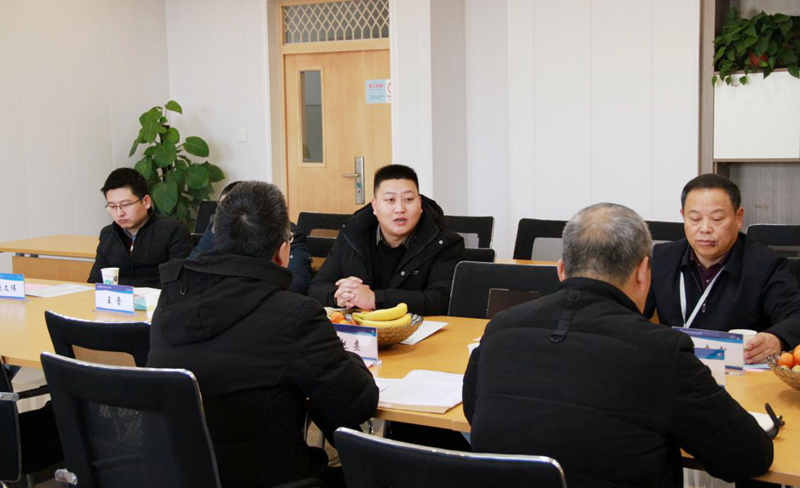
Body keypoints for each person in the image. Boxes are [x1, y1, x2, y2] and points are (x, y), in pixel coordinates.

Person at [463, 203, 773, 486]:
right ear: (643, 273)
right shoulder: (661, 351)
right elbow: (747, 456)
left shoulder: (500, 329)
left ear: (561, 270)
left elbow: (474, 411)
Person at [147, 181, 378, 487]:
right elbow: (356, 403)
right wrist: (349, 358)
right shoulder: (295, 314)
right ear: (283, 252)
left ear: (217, 238)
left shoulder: (170, 298)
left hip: (176, 476)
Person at [645, 174, 800, 364]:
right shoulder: (662, 259)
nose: (705, 228)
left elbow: (796, 315)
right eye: (695, 218)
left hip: (742, 371)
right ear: (683, 216)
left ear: (738, 217)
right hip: (678, 368)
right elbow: (630, 312)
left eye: (717, 219)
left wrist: (777, 338)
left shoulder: (766, 264)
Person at [308, 164, 464, 316]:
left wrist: (375, 299)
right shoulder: (353, 234)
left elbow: (442, 299)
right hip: (360, 329)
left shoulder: (444, 242)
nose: (400, 209)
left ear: (420, 203)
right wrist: (339, 296)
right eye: (390, 200)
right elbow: (317, 287)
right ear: (375, 206)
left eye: (408, 199)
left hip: (419, 329)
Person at [188, 181, 313, 294]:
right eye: (223, 211)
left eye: (232, 210)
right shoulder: (214, 229)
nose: (227, 217)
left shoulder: (286, 233)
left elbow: (297, 283)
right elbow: (190, 269)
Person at [87, 168, 192, 288]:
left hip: (159, 298)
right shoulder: (108, 234)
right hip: (118, 299)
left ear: (146, 202)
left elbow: (180, 282)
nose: (119, 213)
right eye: (112, 206)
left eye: (125, 205)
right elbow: (95, 281)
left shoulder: (173, 230)